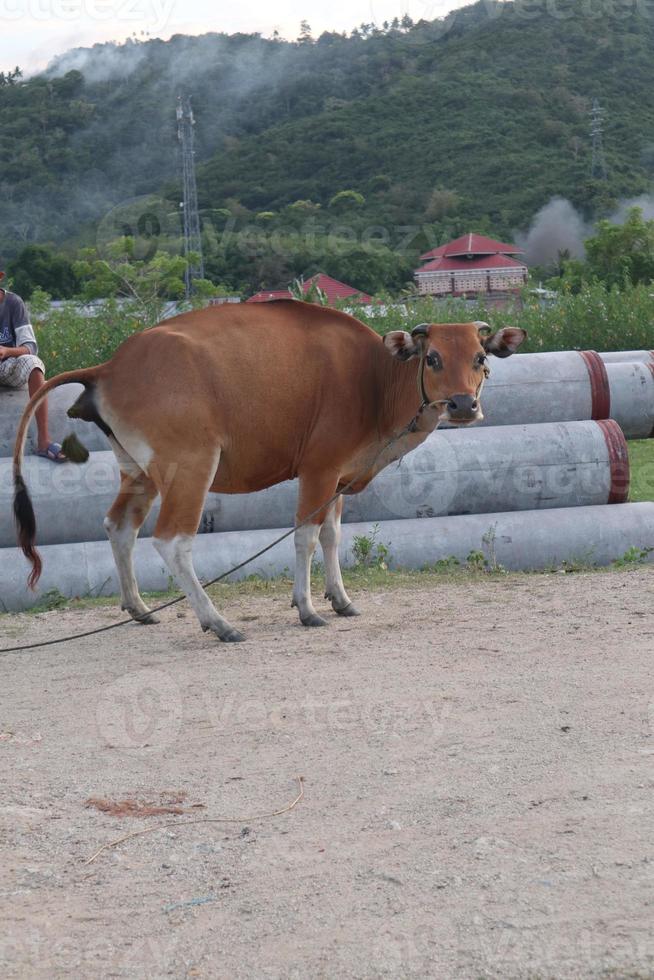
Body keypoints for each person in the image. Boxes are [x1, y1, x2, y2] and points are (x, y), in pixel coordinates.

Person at [0, 270, 66, 461]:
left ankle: (44, 442)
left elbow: (30, 346)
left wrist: (6, 351)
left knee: (34, 364)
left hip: (10, 365)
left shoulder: (13, 303)